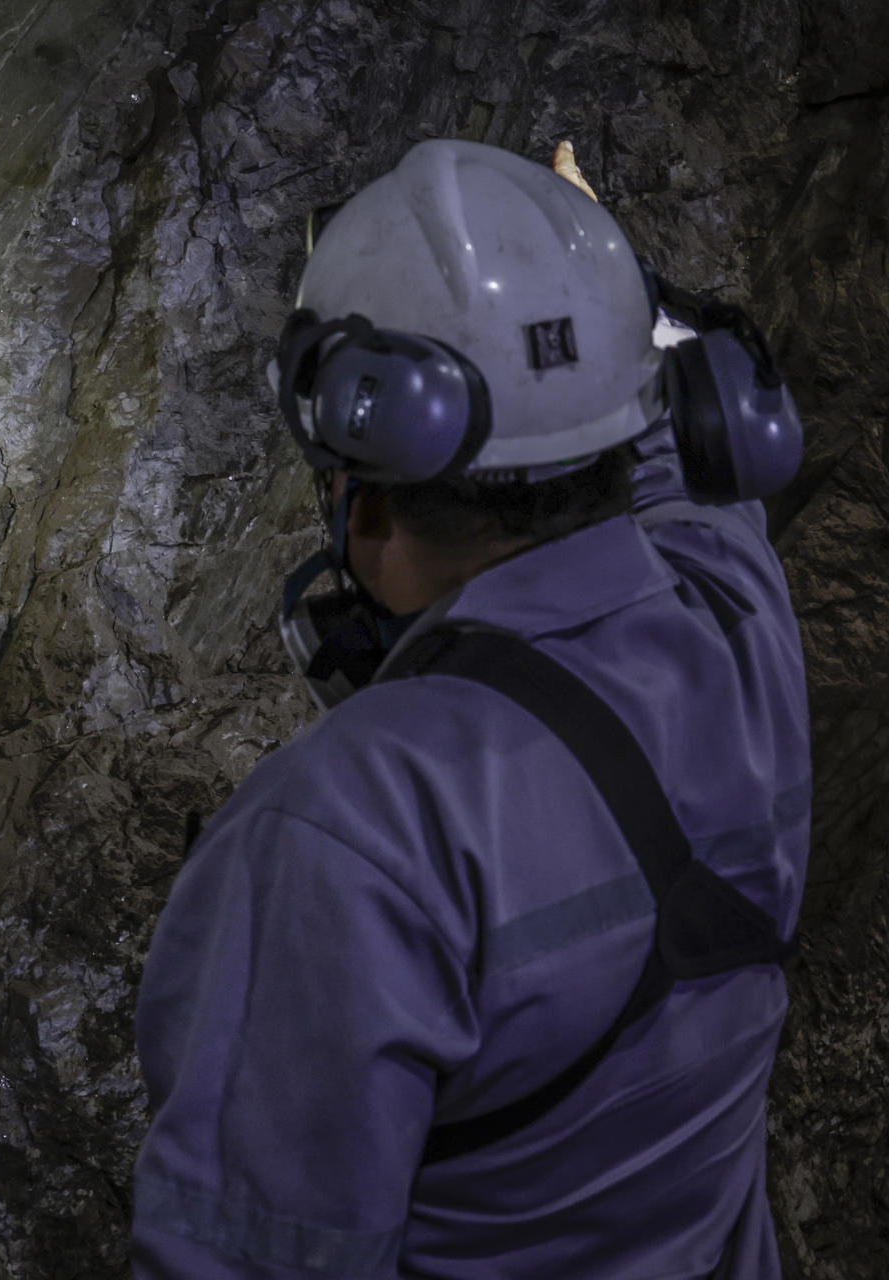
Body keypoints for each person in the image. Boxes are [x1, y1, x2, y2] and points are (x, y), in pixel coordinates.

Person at [131, 138, 810, 1278]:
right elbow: (670, 459)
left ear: (359, 499)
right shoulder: (743, 628)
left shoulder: (349, 828)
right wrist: (584, 296)